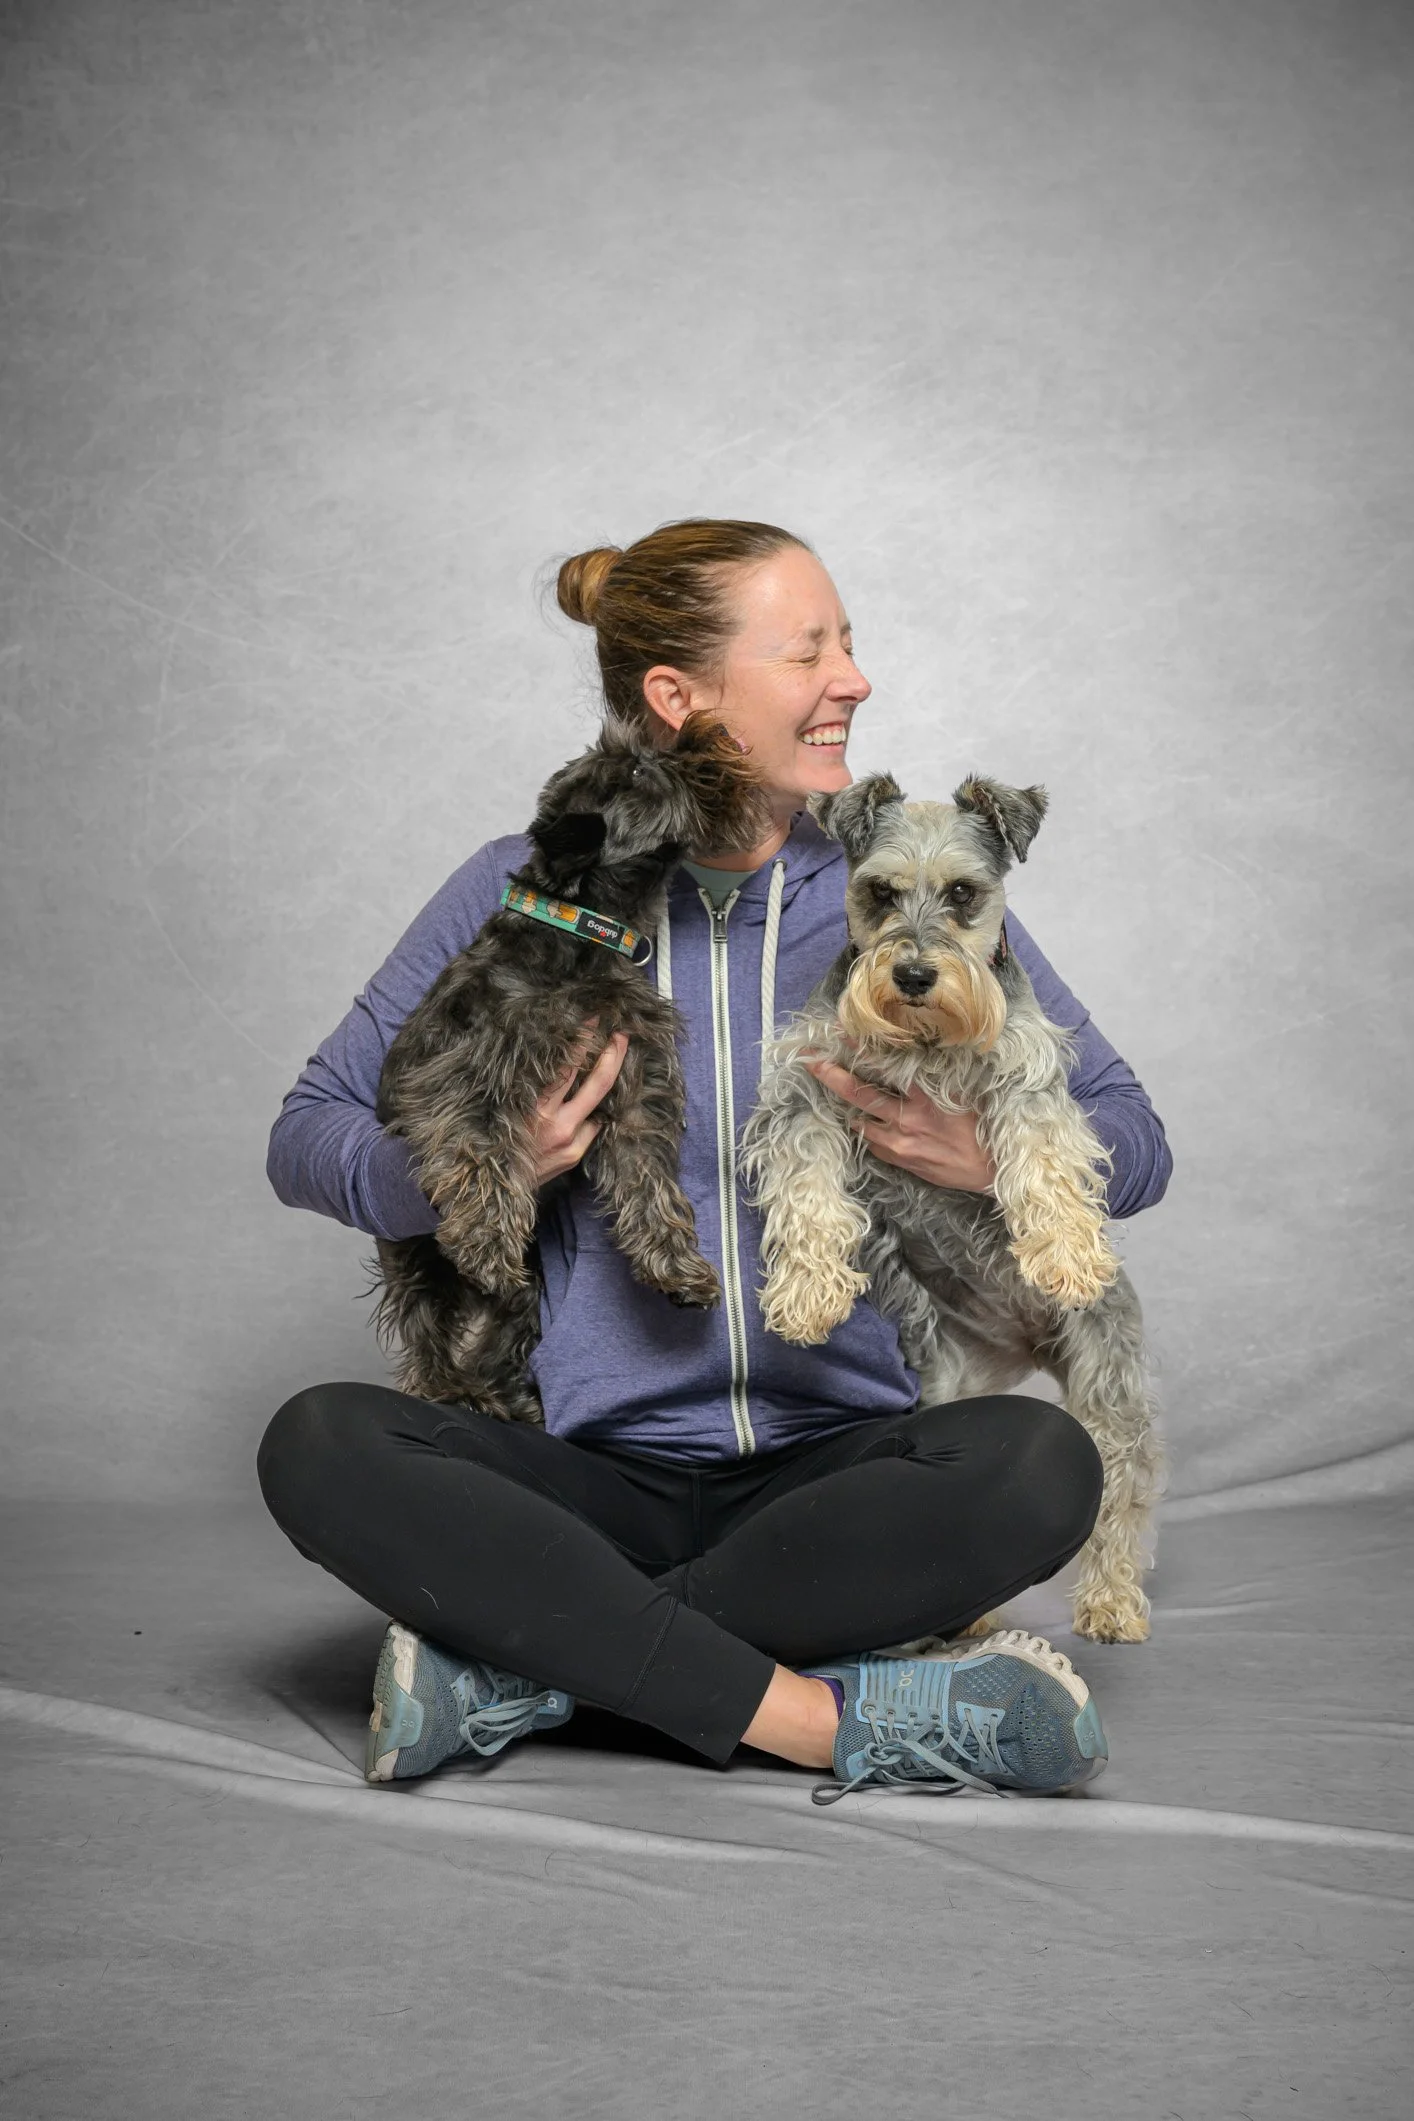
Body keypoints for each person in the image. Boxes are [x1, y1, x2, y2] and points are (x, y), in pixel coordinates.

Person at [257, 519, 1172, 1804]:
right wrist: (485, 1169)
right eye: (809, 651)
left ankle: (537, 1664)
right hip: (586, 1472)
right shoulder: (525, 889)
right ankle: (825, 1717)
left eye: (849, 643)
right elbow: (308, 1131)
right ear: (679, 700)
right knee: (318, 1441)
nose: (852, 678)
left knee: (1036, 1462)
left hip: (838, 1465)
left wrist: (980, 1164)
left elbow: (1134, 1137)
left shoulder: (887, 890)